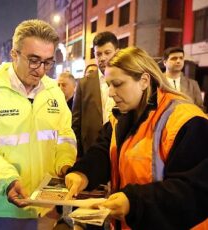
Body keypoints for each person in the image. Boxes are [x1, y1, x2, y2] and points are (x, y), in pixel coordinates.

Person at [65, 47, 208, 230]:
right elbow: (103, 150)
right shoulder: (122, 116)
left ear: (144, 81)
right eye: (108, 84)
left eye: (117, 84)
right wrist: (82, 173)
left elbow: (193, 190)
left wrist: (133, 202)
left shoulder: (187, 121)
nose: (110, 92)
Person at [0, 19, 77, 230]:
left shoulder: (54, 91)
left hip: (47, 203)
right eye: (34, 60)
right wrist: (7, 180)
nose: (41, 70)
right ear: (14, 54)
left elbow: (65, 134)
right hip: (6, 206)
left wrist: (65, 164)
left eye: (47, 62)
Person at [72, 31, 118, 158]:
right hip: (91, 151)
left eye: (107, 53)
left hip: (120, 148)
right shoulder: (84, 84)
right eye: (98, 54)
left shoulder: (127, 81)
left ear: (117, 52)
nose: (102, 58)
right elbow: (76, 123)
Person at [163, 46, 205, 112]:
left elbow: (200, 108)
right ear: (165, 62)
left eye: (181, 58)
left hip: (187, 120)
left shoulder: (193, 84)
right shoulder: (157, 82)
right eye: (174, 58)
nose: (178, 61)